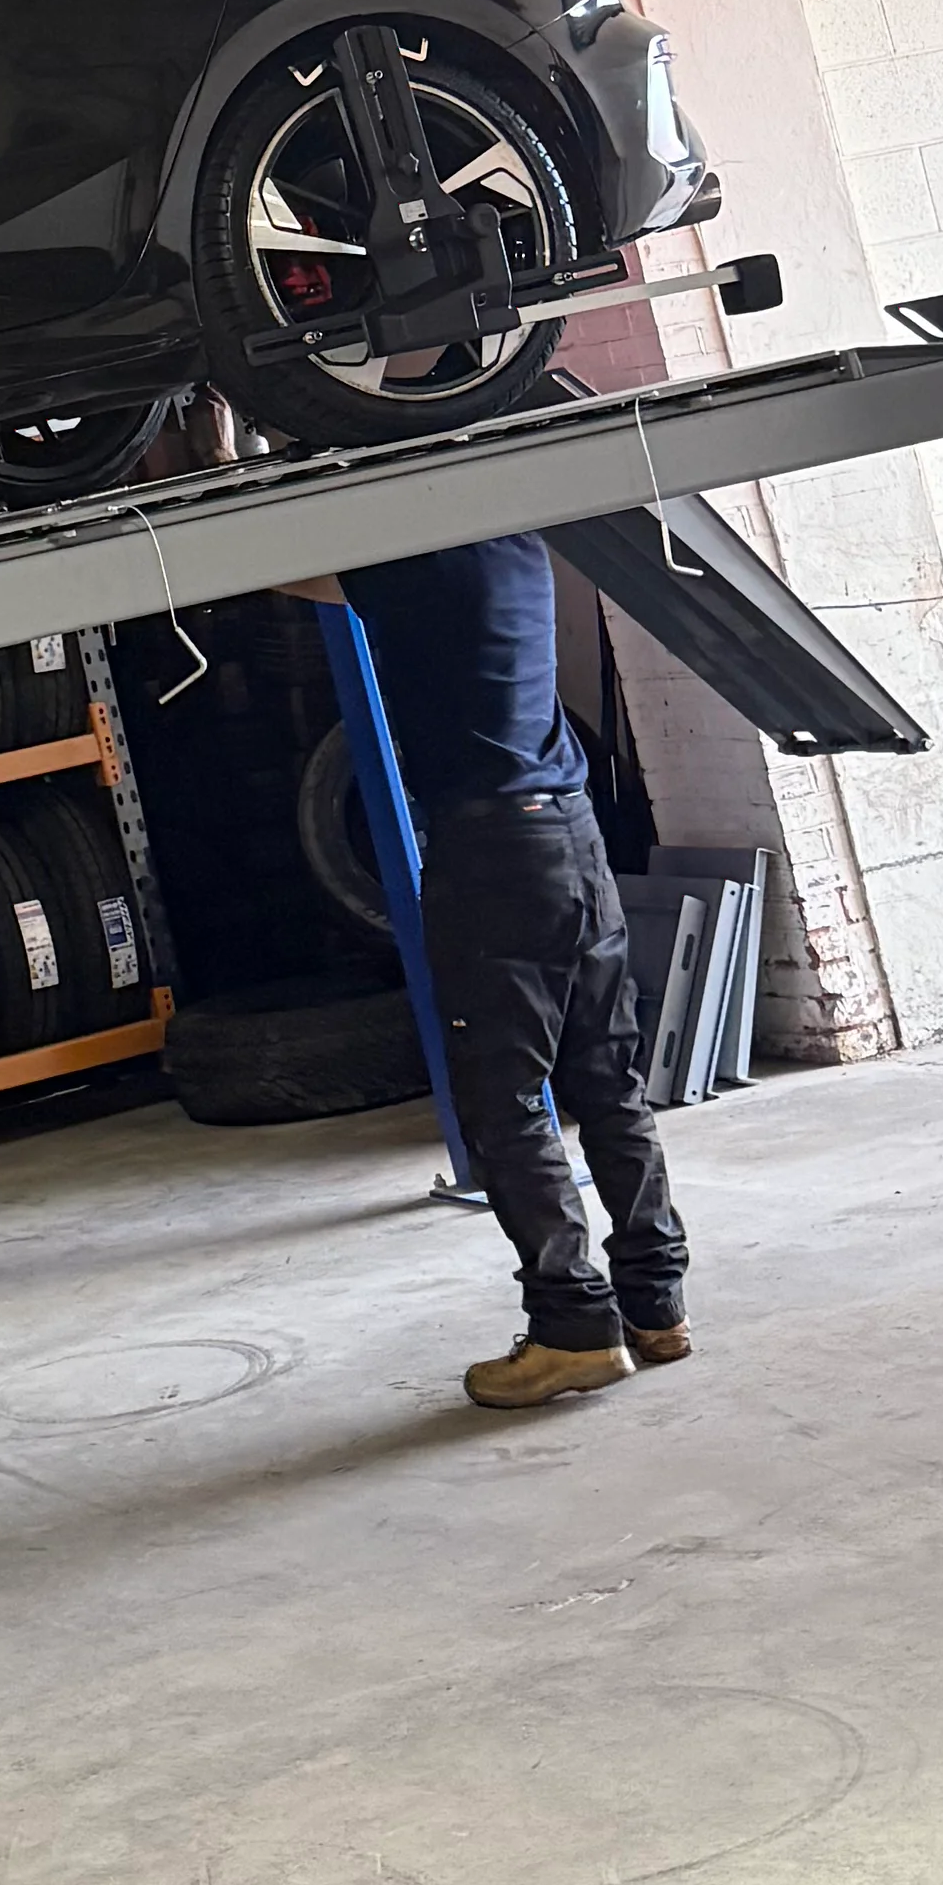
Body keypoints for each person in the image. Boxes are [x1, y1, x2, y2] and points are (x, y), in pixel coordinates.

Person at [337, 532, 687, 1412]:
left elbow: (287, 570)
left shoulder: (410, 560)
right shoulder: (517, 542)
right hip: (572, 833)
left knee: (508, 1097)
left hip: (494, 851)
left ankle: (573, 1329)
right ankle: (656, 1308)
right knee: (610, 1082)